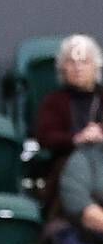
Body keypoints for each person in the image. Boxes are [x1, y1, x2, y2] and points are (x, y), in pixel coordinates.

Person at [33, 34, 103, 216]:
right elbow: (45, 136)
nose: (78, 68)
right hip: (67, 164)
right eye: (71, 62)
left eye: (84, 61)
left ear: (96, 66)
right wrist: (77, 138)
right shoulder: (54, 101)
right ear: (62, 67)